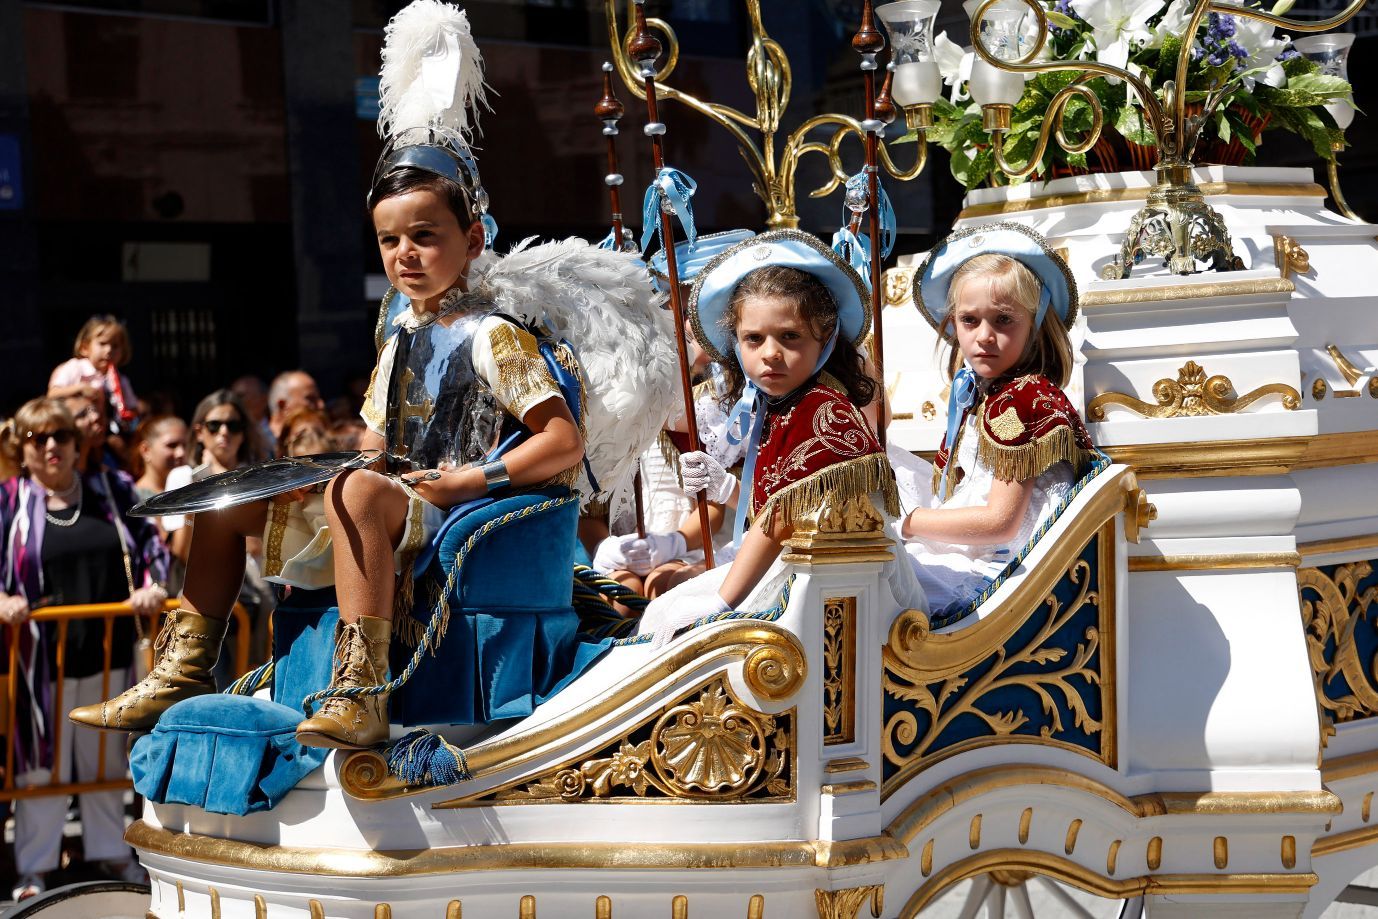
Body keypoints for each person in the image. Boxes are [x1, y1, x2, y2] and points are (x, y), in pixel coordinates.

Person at [71, 6, 589, 749]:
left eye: (425, 236)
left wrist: (470, 481)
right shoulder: (399, 332)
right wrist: (317, 477)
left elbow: (563, 441)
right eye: (389, 240)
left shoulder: (494, 334)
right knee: (226, 500)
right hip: (387, 500)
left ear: (471, 240)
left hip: (444, 508)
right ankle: (183, 666)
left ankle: (362, 688)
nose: (406, 253)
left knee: (358, 488)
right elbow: (374, 442)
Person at [634, 231, 925, 647]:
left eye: (789, 337)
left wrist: (722, 601)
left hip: (847, 592)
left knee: (685, 621)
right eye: (754, 339)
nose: (770, 353)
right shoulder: (784, 405)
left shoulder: (821, 409)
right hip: (806, 572)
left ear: (824, 339)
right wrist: (727, 486)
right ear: (735, 344)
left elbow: (781, 520)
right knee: (664, 609)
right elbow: (781, 506)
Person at [0, 398, 170, 900]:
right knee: (40, 763)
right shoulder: (8, 500)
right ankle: (34, 868)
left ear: (78, 444)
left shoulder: (111, 492)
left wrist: (150, 584)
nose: (52, 447)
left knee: (103, 759)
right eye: (38, 439)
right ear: (23, 449)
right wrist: (4, 599)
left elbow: (150, 547)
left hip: (108, 647)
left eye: (61, 437)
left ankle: (111, 854)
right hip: (36, 659)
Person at [890, 223, 1096, 618]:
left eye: (1003, 320)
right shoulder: (996, 394)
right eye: (970, 321)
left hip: (1000, 576)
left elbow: (1000, 522)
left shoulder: (1020, 401)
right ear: (953, 324)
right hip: (983, 557)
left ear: (1034, 325)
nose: (984, 336)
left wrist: (909, 524)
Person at [48, 315, 139, 435]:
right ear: (85, 348)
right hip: (75, 430)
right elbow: (52, 394)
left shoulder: (120, 380)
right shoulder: (75, 367)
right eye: (102, 344)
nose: (109, 350)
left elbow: (133, 407)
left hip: (107, 432)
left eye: (115, 346)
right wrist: (80, 388)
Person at [131, 415, 189, 507]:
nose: (181, 453)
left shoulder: (190, 488)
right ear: (146, 450)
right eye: (172, 445)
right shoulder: (134, 499)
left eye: (185, 445)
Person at [267, 370, 324, 445]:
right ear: (283, 405)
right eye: (310, 399)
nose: (321, 405)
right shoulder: (260, 449)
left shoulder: (322, 442)